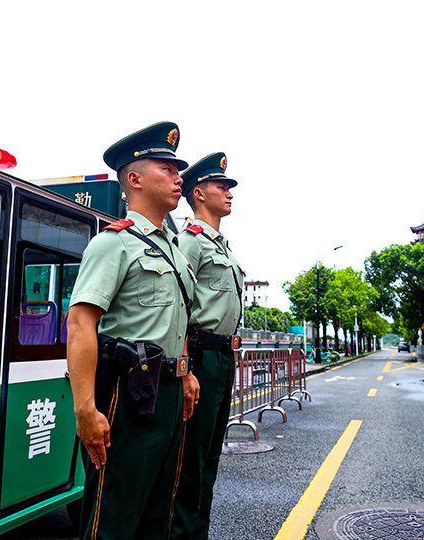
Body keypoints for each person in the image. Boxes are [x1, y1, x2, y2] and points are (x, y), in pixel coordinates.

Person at [66, 121, 200, 540]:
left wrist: (187, 370)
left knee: (158, 516)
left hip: (170, 394)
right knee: (115, 518)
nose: (179, 178)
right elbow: (80, 323)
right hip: (130, 396)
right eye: (167, 168)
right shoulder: (114, 243)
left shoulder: (173, 250)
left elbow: (174, 319)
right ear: (135, 179)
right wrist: (86, 409)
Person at [172, 152, 244, 540]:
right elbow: (179, 306)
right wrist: (186, 367)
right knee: (190, 463)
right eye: (222, 187)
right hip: (201, 356)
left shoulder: (223, 245)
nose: (229, 193)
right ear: (199, 193)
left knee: (209, 461)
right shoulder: (191, 242)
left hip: (223, 358)